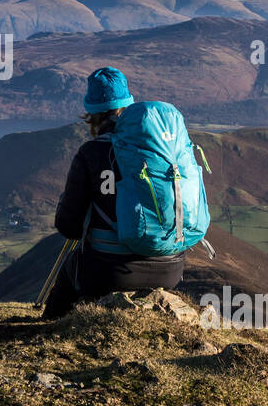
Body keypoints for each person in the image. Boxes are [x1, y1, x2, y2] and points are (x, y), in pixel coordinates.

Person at [43, 66, 187, 318]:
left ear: (92, 113)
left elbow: (69, 227)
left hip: (110, 272)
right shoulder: (162, 150)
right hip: (171, 267)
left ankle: (50, 326)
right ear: (127, 104)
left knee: (70, 269)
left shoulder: (91, 153)